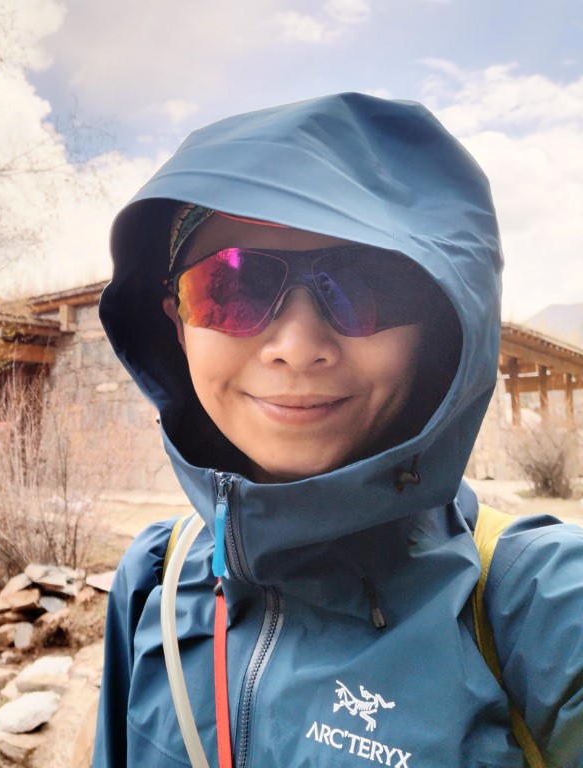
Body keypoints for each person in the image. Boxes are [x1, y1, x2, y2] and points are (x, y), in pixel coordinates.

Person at [92, 93, 583, 767]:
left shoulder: (538, 609)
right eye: (229, 289)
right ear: (178, 324)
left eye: (364, 286)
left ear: (435, 330)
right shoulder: (154, 582)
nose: (296, 346)